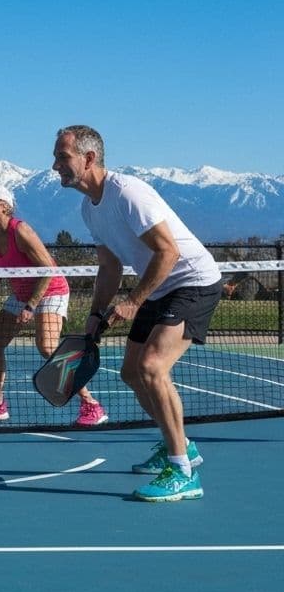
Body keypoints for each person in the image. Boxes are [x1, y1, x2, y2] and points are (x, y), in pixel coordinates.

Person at [52, 125, 223, 502]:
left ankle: (182, 473)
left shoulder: (128, 194)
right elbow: (110, 268)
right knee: (131, 372)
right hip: (160, 285)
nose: (55, 165)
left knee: (151, 368)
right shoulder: (88, 208)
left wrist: (133, 302)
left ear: (89, 158)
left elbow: (168, 253)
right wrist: (96, 313)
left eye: (62, 157)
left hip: (192, 281)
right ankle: (184, 447)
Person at [0, 184, 108, 426]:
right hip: (21, 294)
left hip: (51, 290)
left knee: (47, 346)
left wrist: (31, 305)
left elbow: (48, 270)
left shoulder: (21, 231)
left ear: (4, 206)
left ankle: (91, 405)